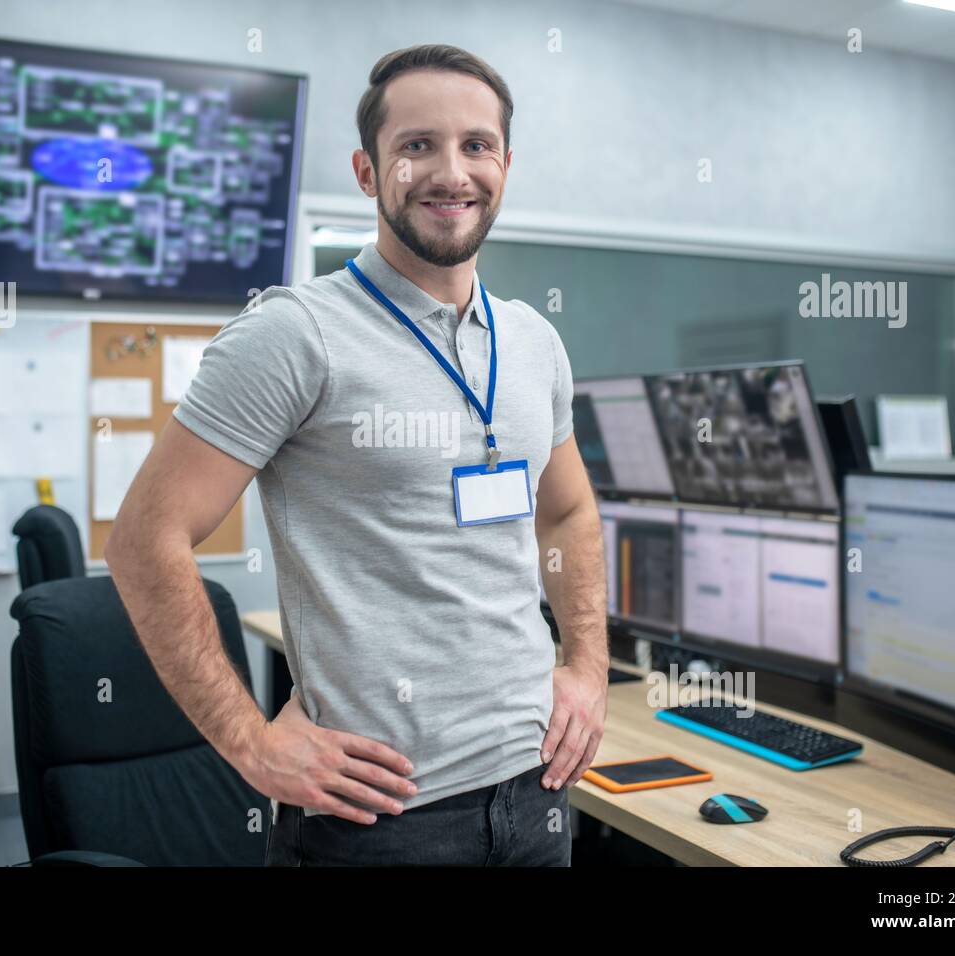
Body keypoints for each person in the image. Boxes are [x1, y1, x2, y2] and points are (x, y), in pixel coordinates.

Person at [106, 43, 608, 866]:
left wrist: (585, 669)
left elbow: (567, 509)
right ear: (369, 172)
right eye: (417, 145)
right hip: (379, 816)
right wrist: (250, 743)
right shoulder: (293, 334)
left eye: (476, 145)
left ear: (506, 165)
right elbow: (143, 540)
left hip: (538, 788)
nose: (452, 171)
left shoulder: (533, 342)